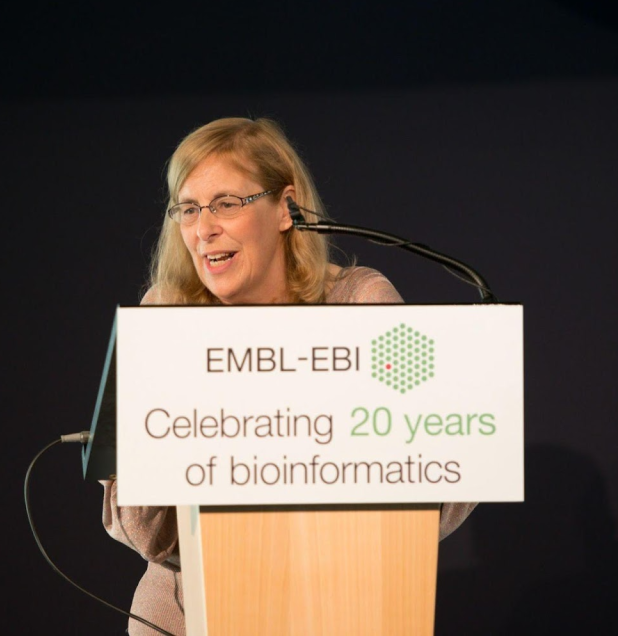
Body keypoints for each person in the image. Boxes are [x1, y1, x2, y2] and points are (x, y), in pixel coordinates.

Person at [101, 116, 477, 635]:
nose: (203, 227)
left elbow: (438, 479)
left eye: (226, 203)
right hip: (189, 612)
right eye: (188, 208)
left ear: (285, 208)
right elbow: (149, 534)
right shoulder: (164, 317)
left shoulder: (357, 303)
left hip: (342, 600)